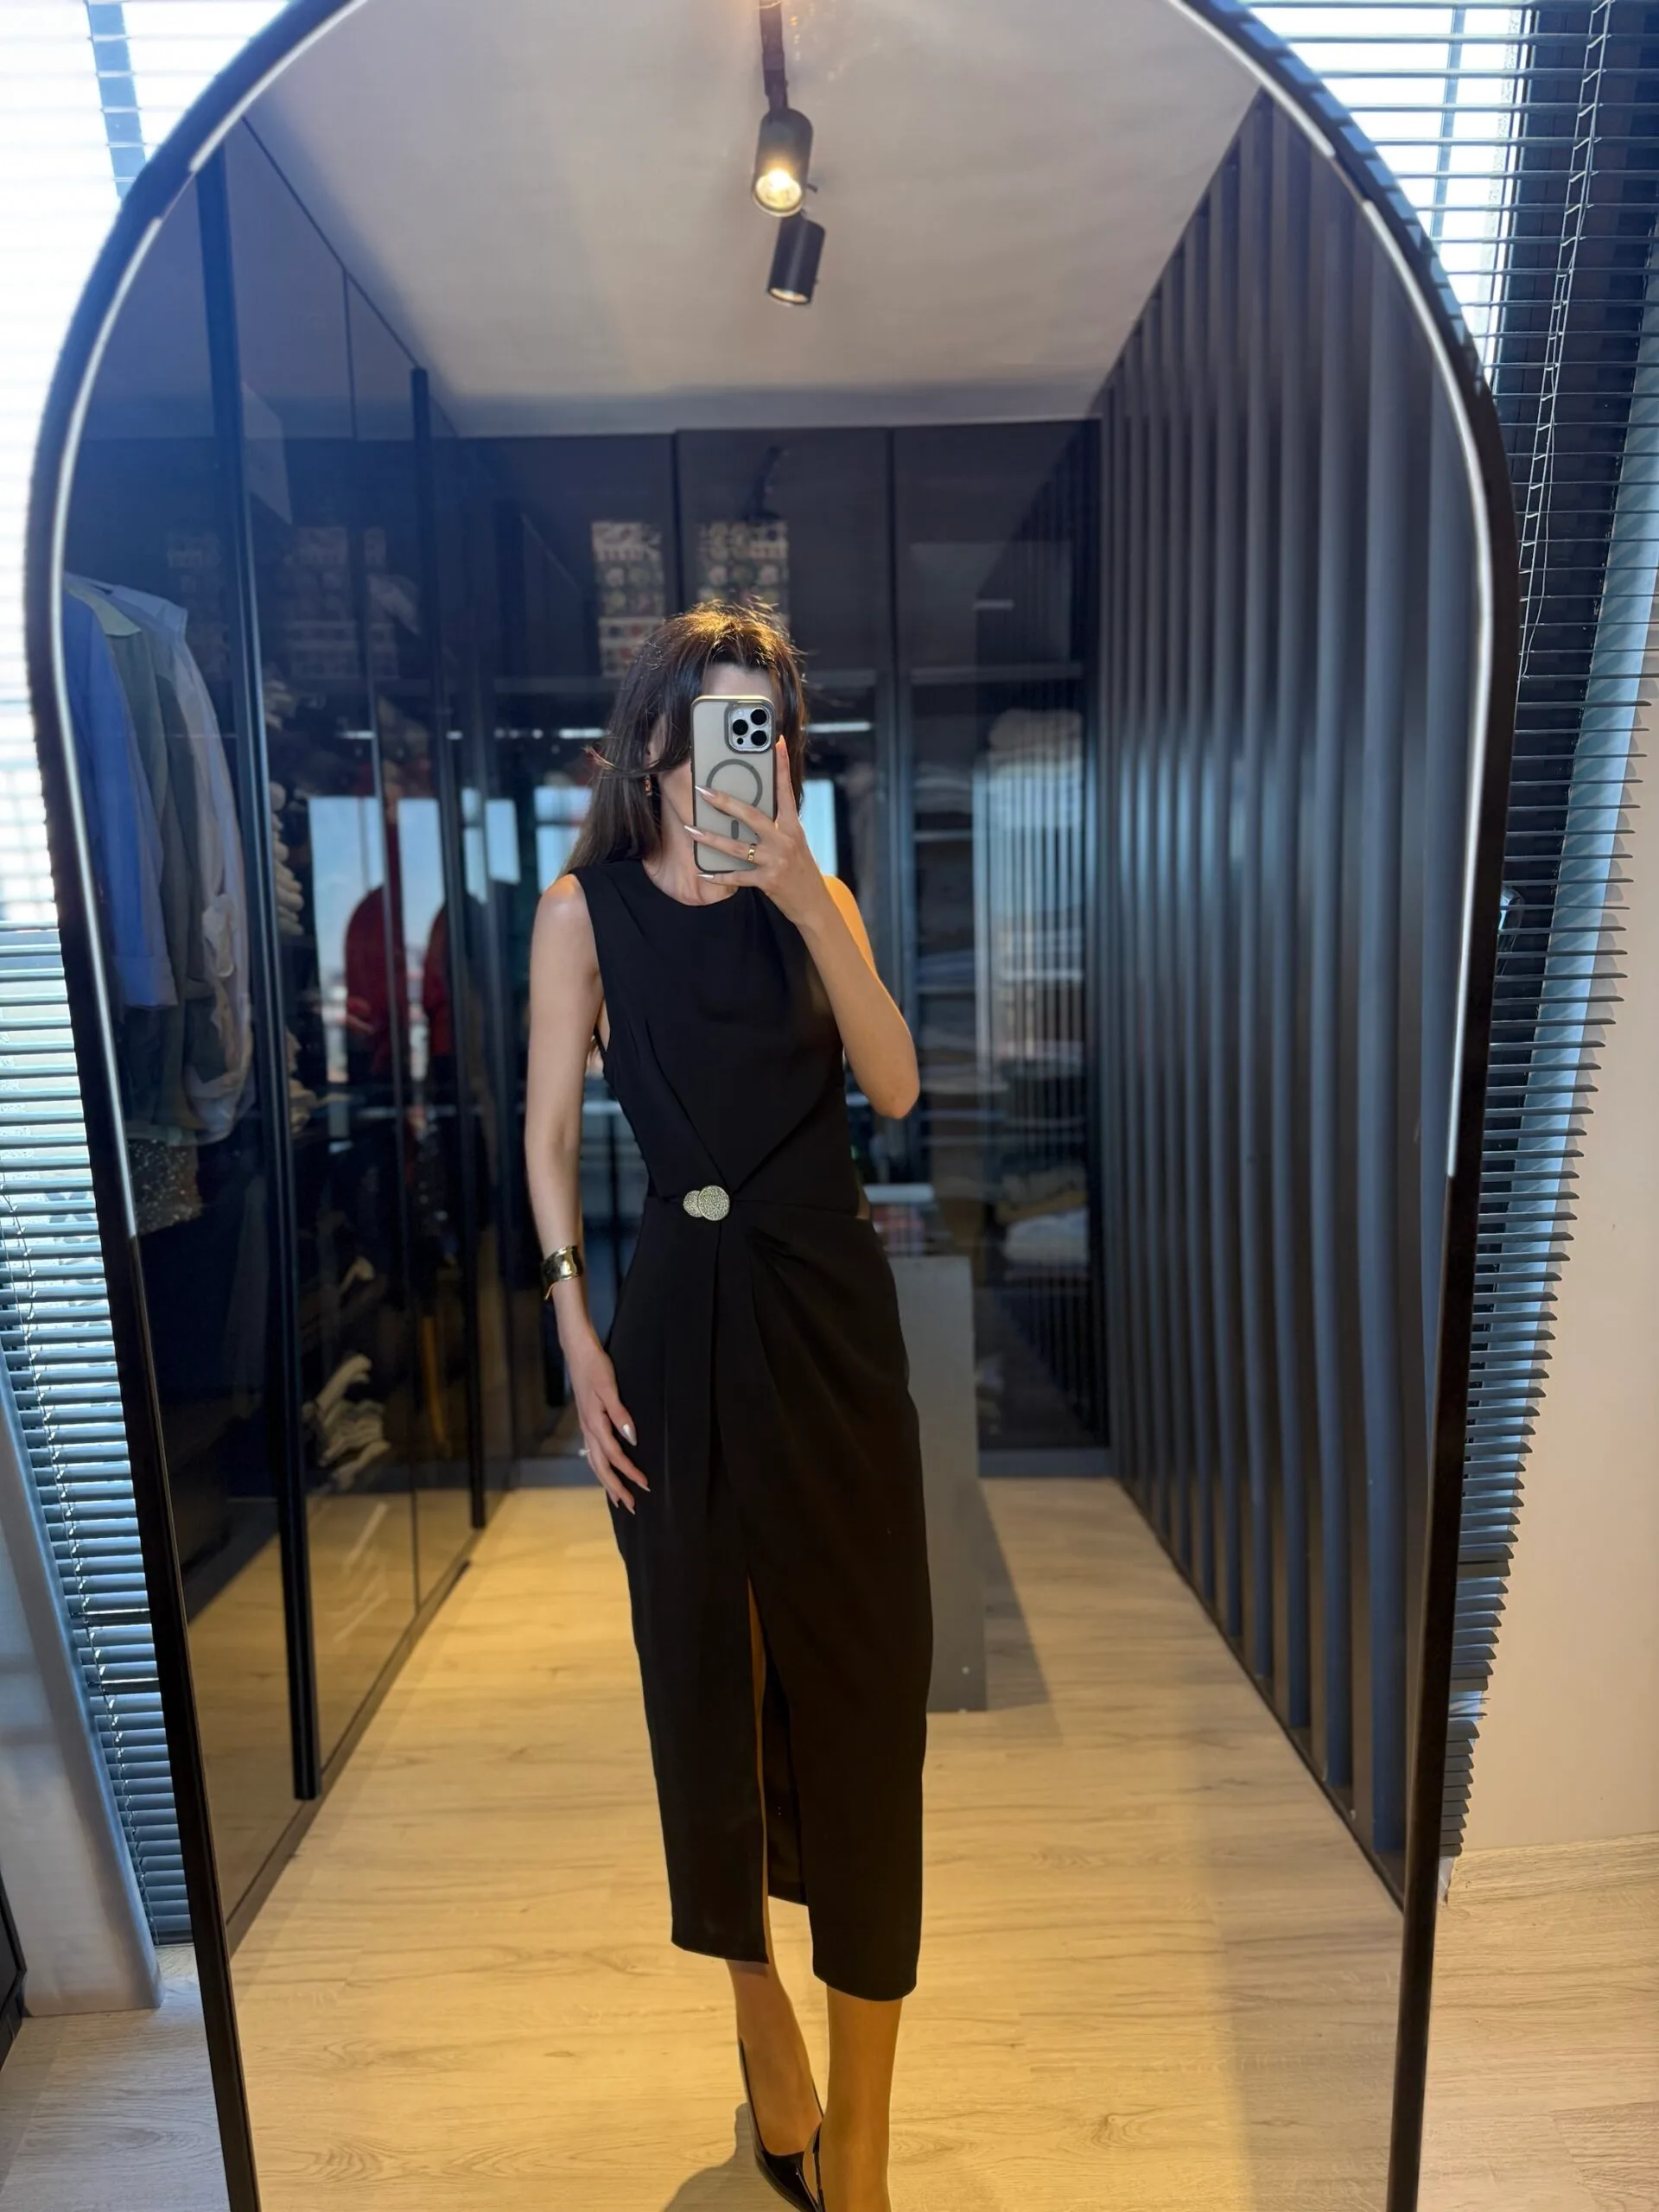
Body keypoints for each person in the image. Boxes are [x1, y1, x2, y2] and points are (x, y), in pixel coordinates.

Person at [524, 603, 931, 2212]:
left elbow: (894, 1085)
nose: (738, 753)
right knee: (707, 1695)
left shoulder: (814, 898)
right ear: (653, 744)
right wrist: (572, 1328)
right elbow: (547, 1137)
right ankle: (767, 2043)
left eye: (764, 724)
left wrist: (807, 899)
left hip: (829, 1323)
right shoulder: (586, 913)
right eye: (713, 722)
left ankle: (865, 2157)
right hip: (674, 1336)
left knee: (865, 1700)